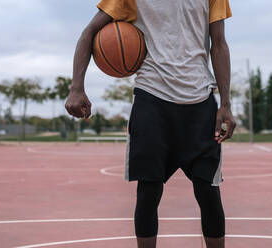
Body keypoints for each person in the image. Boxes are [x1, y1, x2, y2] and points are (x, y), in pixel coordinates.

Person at [65, 0, 236, 247]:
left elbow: (219, 43)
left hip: (199, 100)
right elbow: (88, 33)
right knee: (148, 191)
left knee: (209, 192)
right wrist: (76, 87)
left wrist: (226, 104)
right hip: (152, 98)